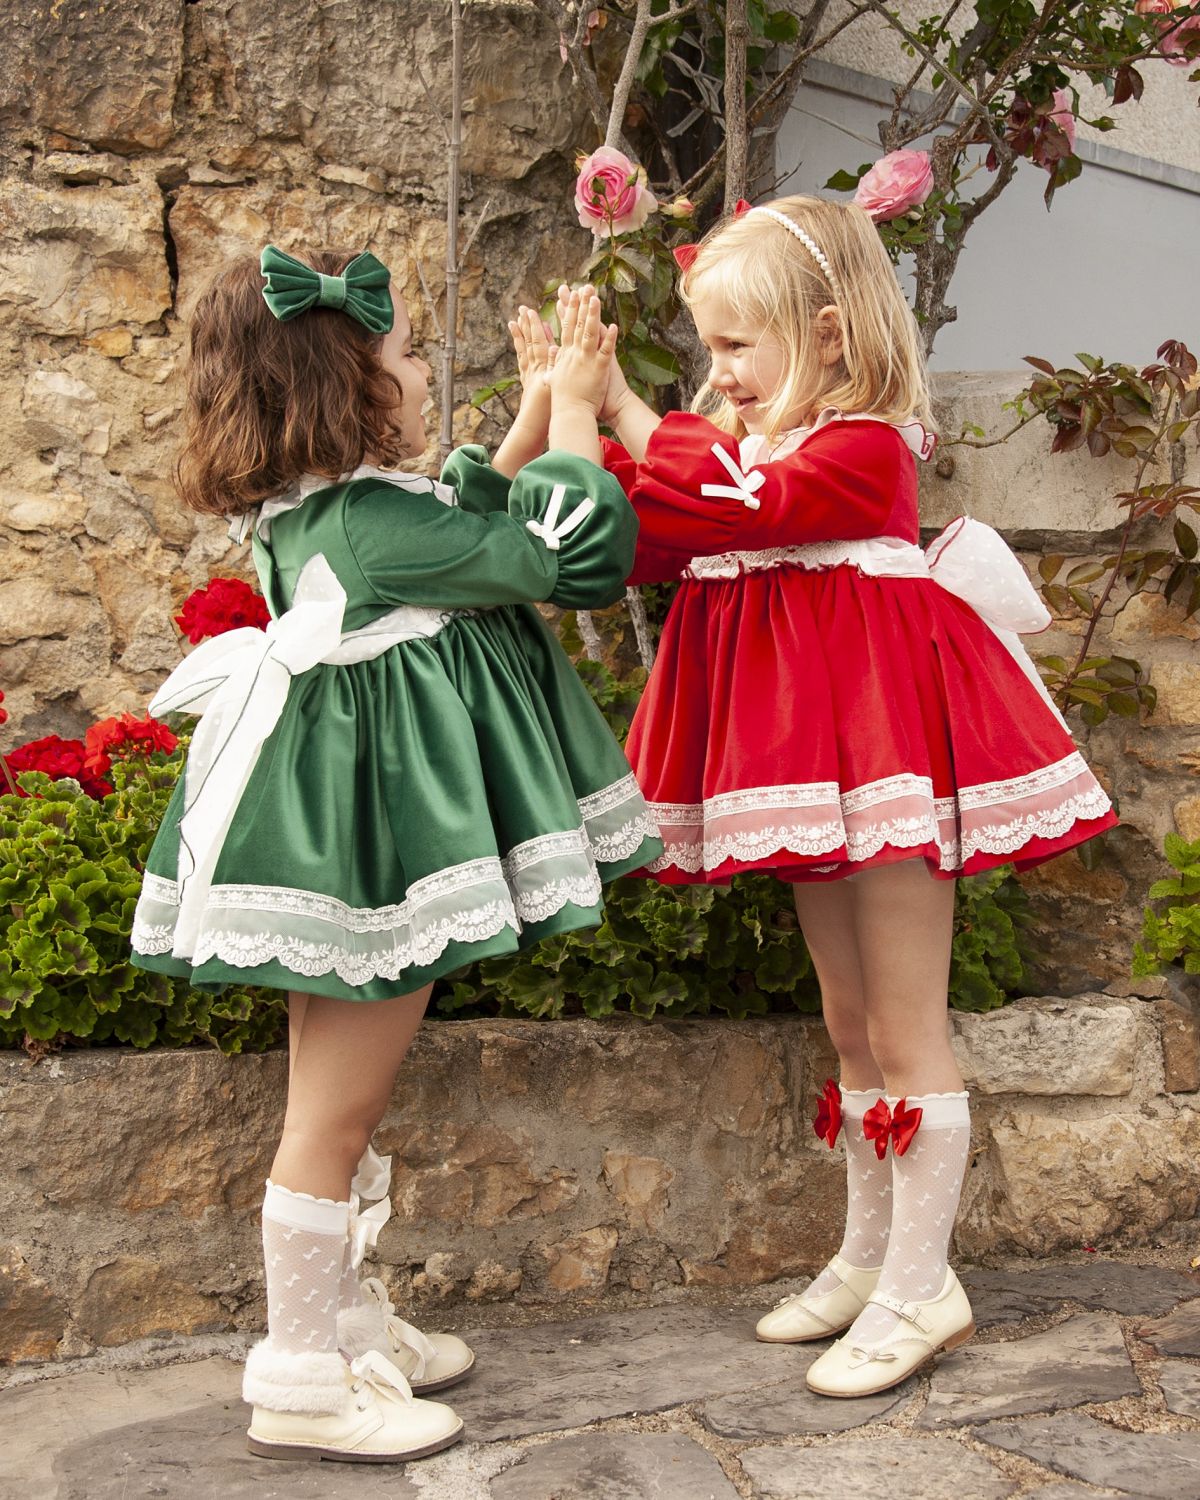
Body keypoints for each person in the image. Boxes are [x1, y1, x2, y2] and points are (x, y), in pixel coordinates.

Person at [130, 246, 662, 1460]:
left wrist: (533, 412)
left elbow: (463, 511)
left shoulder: (335, 511)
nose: (422, 369)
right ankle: (305, 1377)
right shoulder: (372, 526)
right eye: (408, 352)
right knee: (333, 1113)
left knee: (337, 1103)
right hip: (379, 860)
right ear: (345, 383)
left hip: (344, 844)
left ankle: (349, 1321)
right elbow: (566, 556)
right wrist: (578, 409)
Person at [588, 195, 1116, 1397]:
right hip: (812, 762)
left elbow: (752, 509)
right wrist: (587, 431)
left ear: (828, 334)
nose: (715, 374)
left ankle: (923, 1283)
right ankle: (871, 1255)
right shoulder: (748, 446)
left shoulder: (866, 442)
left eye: (735, 347)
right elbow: (658, 534)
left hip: (884, 754)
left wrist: (631, 411)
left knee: (906, 1021)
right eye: (707, 350)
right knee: (849, 1023)